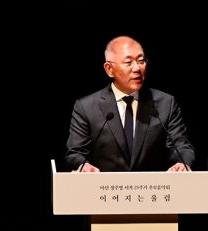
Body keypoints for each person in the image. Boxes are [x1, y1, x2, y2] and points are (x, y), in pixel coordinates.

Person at [65, 35, 196, 173]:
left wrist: (182, 162)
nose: (137, 68)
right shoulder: (86, 107)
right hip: (105, 185)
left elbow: (181, 146)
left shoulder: (165, 103)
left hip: (152, 185)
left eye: (141, 61)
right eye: (128, 62)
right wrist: (83, 165)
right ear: (109, 69)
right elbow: (75, 153)